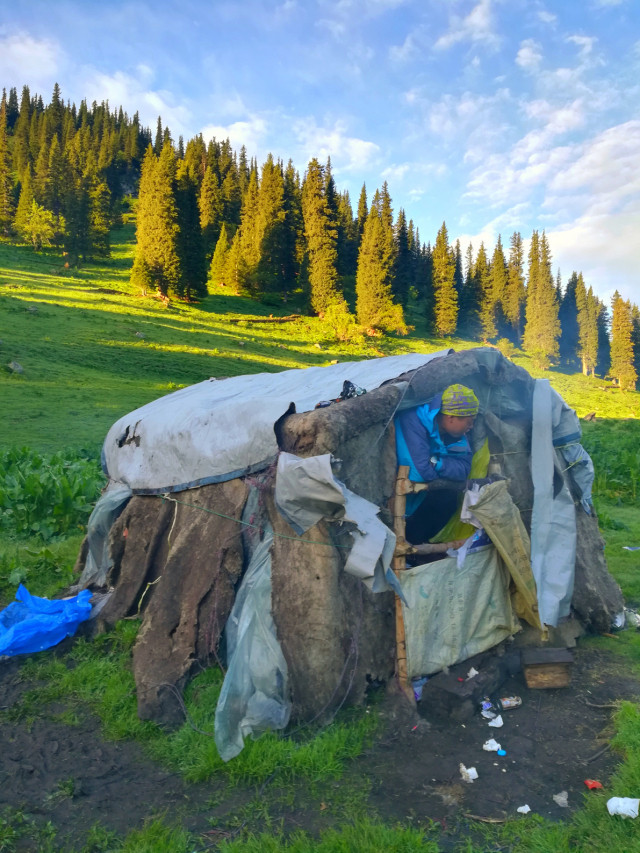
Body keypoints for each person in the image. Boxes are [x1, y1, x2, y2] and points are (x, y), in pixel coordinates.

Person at [395, 384, 479, 545]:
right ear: (451, 418)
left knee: (448, 499)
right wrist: (443, 466)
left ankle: (418, 550)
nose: (471, 427)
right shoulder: (413, 420)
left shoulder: (457, 435)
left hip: (419, 500)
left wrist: (437, 463)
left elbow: (464, 469)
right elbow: (419, 473)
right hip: (401, 503)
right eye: (469, 422)